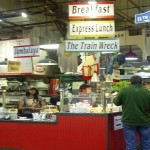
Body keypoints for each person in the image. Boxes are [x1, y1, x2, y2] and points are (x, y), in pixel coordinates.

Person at [113, 75, 150, 150]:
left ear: (131, 82)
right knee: (146, 143)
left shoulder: (124, 90)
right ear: (141, 82)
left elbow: (116, 103)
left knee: (130, 144)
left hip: (129, 121)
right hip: (144, 121)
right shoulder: (147, 92)